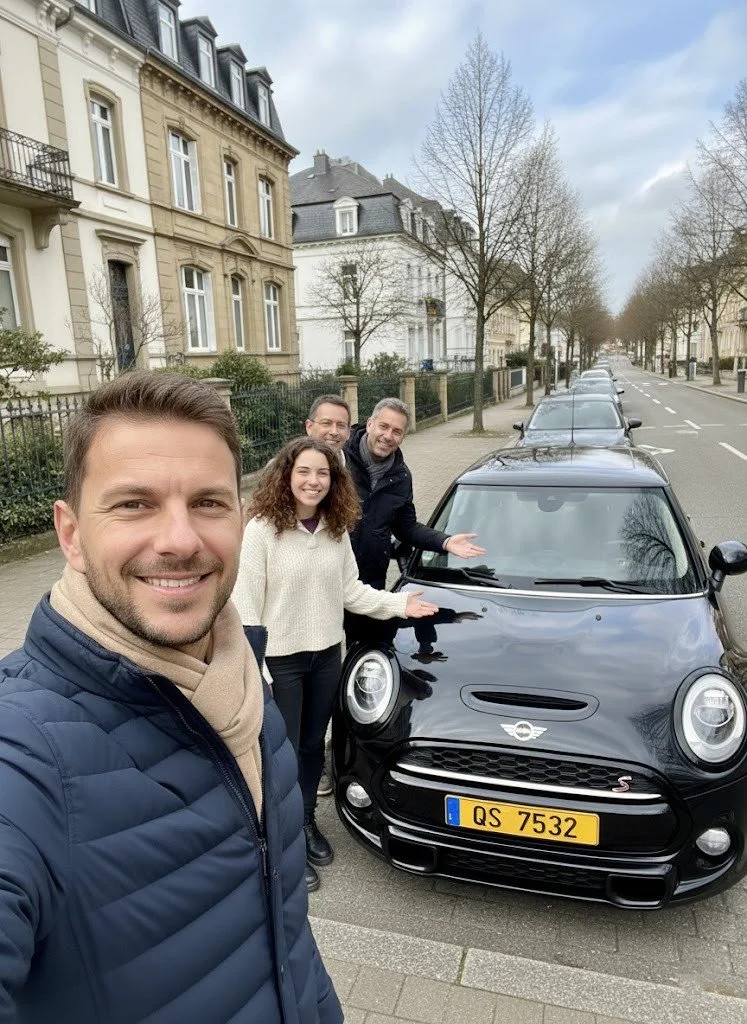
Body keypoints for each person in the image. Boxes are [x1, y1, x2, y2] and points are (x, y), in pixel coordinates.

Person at [0, 372, 342, 1023]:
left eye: (209, 503)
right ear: (71, 534)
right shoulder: (24, 754)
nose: (181, 540)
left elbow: (284, 935)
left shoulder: (246, 687)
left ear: (239, 518)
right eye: (134, 504)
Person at [232, 437, 437, 892]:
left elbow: (352, 592)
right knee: (277, 754)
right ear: (287, 474)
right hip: (279, 663)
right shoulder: (263, 530)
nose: (313, 481)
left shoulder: (335, 528)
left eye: (322, 473)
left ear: (334, 480)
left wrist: (402, 604)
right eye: (304, 471)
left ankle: (305, 822)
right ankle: (279, 842)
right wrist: (258, 671)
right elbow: (244, 607)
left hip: (326, 656)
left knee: (311, 749)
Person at [343, 397, 485, 645]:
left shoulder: (401, 476)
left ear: (403, 437)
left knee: (361, 654)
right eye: (384, 427)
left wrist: (445, 541)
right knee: (323, 658)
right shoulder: (339, 462)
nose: (388, 436)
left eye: (397, 431)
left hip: (368, 583)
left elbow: (406, 527)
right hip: (328, 577)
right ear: (369, 424)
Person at [305, 394, 351, 462]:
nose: (334, 432)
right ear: (310, 427)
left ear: (349, 432)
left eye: (341, 425)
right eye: (326, 423)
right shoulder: (290, 468)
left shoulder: (361, 469)